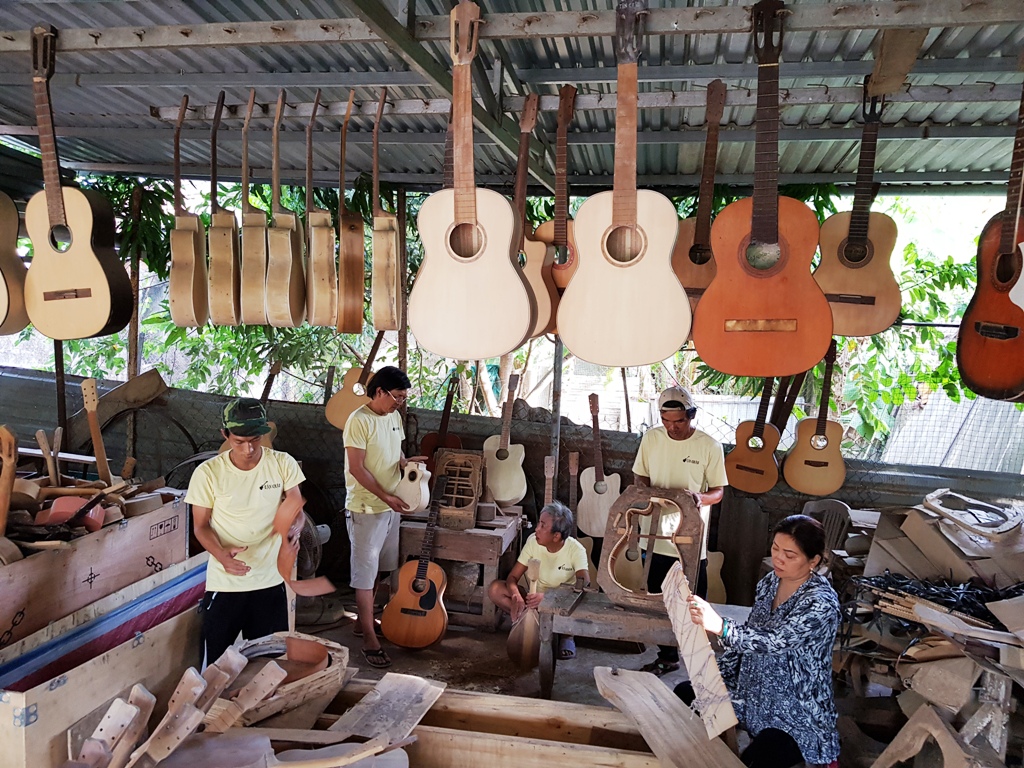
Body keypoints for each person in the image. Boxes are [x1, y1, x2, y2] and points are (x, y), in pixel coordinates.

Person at [686, 515, 841, 768]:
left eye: (790, 555)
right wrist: (714, 671)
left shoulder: (820, 603)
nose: (779, 559)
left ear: (813, 561)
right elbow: (753, 630)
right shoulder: (771, 582)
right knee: (687, 695)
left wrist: (721, 627)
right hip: (752, 692)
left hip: (795, 711)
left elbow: (775, 641)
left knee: (755, 760)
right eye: (776, 548)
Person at [186, 397, 305, 666]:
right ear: (224, 434)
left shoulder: (282, 463)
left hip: (271, 580)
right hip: (226, 583)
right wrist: (222, 556)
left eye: (255, 439)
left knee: (270, 664)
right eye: (239, 441)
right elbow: (201, 526)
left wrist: (294, 528)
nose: (248, 448)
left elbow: (296, 505)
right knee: (217, 665)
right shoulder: (208, 474)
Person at [633, 385, 727, 675]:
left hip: (689, 535)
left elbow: (718, 491)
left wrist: (699, 498)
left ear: (692, 415)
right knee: (657, 595)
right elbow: (640, 474)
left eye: (679, 421)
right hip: (654, 532)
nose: (672, 428)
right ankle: (668, 655)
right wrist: (645, 493)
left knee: (691, 599)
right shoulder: (652, 439)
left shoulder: (709, 446)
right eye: (667, 422)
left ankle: (697, 657)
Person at [343, 365, 425, 669]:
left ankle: (362, 623)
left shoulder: (393, 417)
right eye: (397, 396)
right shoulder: (358, 421)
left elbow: (396, 453)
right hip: (367, 507)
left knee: (379, 569)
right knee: (365, 575)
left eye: (403, 397)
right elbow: (357, 468)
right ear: (379, 392)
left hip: (393, 505)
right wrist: (385, 496)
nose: (400, 402)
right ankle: (369, 638)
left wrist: (407, 464)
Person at [489, 501, 590, 659]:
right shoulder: (532, 542)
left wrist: (549, 598)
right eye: (539, 524)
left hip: (561, 605)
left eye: (543, 526)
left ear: (556, 536)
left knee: (579, 608)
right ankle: (527, 622)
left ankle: (565, 635)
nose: (536, 529)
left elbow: (585, 585)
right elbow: (512, 577)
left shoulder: (576, 550)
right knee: (495, 589)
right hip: (534, 601)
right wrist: (516, 595)